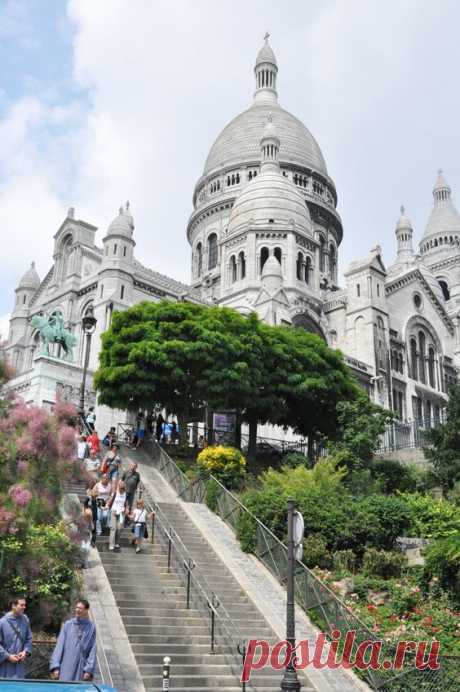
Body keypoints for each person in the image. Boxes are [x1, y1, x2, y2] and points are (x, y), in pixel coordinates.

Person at [50, 599, 96, 681]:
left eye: (80, 608)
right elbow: (59, 646)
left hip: (81, 667)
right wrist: (55, 666)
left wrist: (88, 670)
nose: (77, 610)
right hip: (66, 665)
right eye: (76, 608)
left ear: (86, 610)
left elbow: (93, 650)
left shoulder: (91, 627)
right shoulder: (68, 625)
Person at [0, 596, 32, 679]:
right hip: (5, 666)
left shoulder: (25, 620)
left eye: (25, 605)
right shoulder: (2, 622)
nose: (24, 607)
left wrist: (25, 651)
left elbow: (29, 638)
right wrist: (8, 656)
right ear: (13, 606)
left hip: (19, 666)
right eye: (21, 605)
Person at [108, 480, 127, 551]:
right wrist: (107, 506)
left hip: (121, 513)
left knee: (120, 528)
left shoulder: (125, 494)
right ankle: (111, 544)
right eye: (121, 488)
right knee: (113, 528)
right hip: (114, 512)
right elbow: (110, 501)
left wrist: (126, 509)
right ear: (118, 487)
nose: (122, 490)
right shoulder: (115, 493)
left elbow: (125, 503)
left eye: (123, 488)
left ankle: (116, 542)